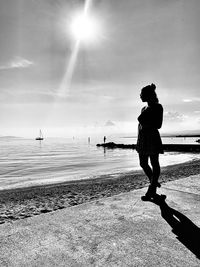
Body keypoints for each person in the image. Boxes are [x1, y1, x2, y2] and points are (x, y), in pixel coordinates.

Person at [136, 83, 164, 200]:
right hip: (142, 139)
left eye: (142, 94)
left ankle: (152, 189)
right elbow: (140, 125)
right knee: (143, 163)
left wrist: (144, 121)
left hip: (152, 138)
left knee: (154, 163)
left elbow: (158, 125)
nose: (140, 95)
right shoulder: (143, 108)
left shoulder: (158, 107)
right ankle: (153, 181)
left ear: (148, 95)